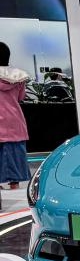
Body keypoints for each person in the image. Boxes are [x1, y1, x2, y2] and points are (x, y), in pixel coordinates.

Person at [0, 42, 31, 190]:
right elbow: (20, 97)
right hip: (14, 119)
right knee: (14, 150)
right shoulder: (18, 76)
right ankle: (14, 184)